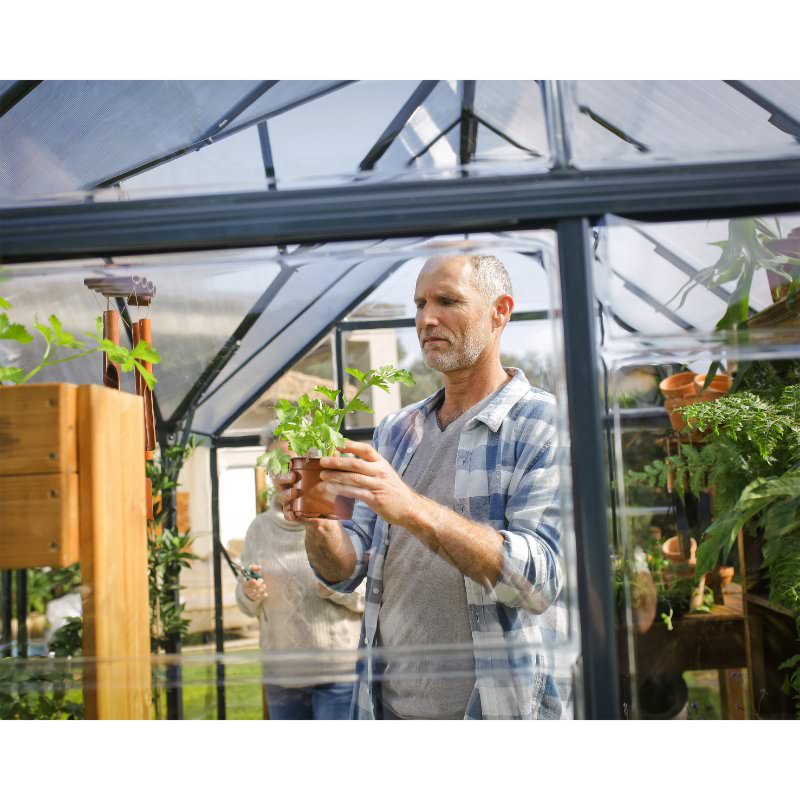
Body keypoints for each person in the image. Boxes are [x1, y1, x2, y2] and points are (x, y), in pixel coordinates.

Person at [276, 254, 571, 720]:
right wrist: (320, 523)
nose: (425, 319)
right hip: (387, 710)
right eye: (419, 304)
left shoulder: (540, 423)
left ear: (501, 311)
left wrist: (409, 506)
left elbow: (538, 581)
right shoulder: (396, 431)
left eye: (447, 301)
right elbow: (346, 569)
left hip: (495, 714)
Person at [235, 424, 366, 720]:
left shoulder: (341, 520)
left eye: (287, 461)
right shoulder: (259, 529)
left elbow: (367, 596)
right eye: (271, 463)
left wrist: (332, 581)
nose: (278, 471)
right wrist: (248, 593)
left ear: (309, 466)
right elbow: (246, 603)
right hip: (282, 677)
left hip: (337, 675)